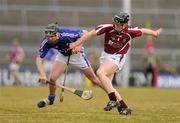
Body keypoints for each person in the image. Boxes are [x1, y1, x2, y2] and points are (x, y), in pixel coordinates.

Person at [69, 12, 162, 115]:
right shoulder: (108, 27)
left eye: (118, 25)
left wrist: (155, 33)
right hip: (105, 56)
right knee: (108, 87)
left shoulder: (130, 31)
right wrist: (76, 44)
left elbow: (143, 30)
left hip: (118, 56)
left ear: (124, 25)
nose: (115, 26)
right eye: (115, 23)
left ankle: (112, 100)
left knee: (100, 73)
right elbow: (90, 34)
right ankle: (124, 108)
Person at [36, 23, 104, 108]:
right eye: (47, 37)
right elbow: (39, 59)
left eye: (51, 37)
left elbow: (85, 33)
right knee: (52, 78)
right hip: (63, 55)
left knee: (94, 80)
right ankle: (50, 99)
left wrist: (79, 45)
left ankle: (113, 96)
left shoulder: (66, 34)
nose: (49, 39)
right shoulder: (46, 42)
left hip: (77, 55)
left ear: (57, 34)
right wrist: (43, 75)